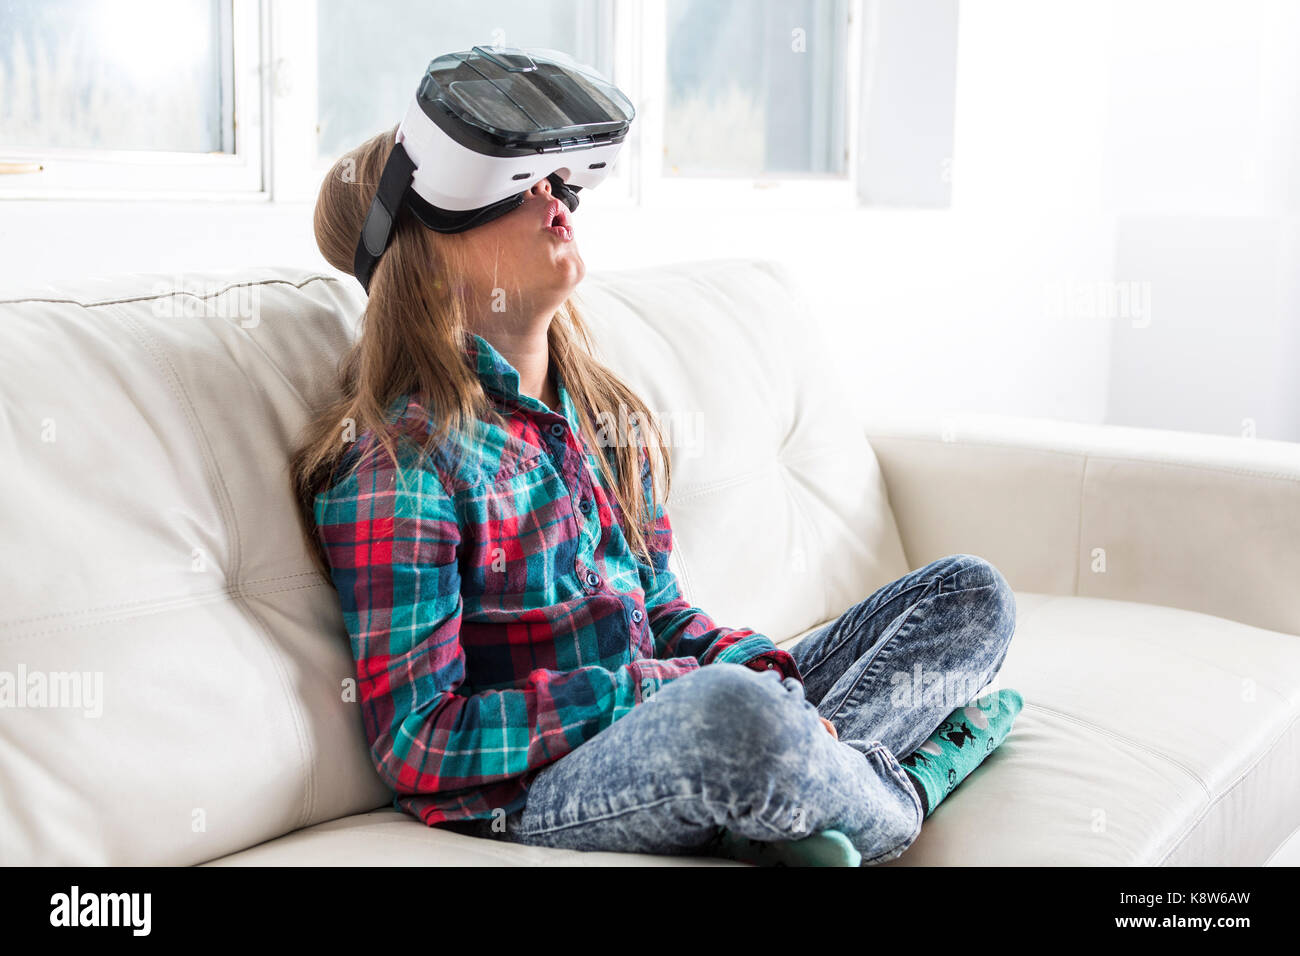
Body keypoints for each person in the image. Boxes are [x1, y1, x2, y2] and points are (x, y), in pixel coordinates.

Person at [291, 128, 1023, 867]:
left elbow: (663, 610)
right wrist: (657, 693)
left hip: (685, 722)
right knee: (729, 717)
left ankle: (795, 793)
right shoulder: (401, 467)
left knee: (970, 595)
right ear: (425, 255)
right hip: (541, 790)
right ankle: (911, 788)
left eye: (548, 176)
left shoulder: (605, 418)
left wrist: (761, 670)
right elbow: (418, 741)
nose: (551, 193)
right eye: (507, 186)